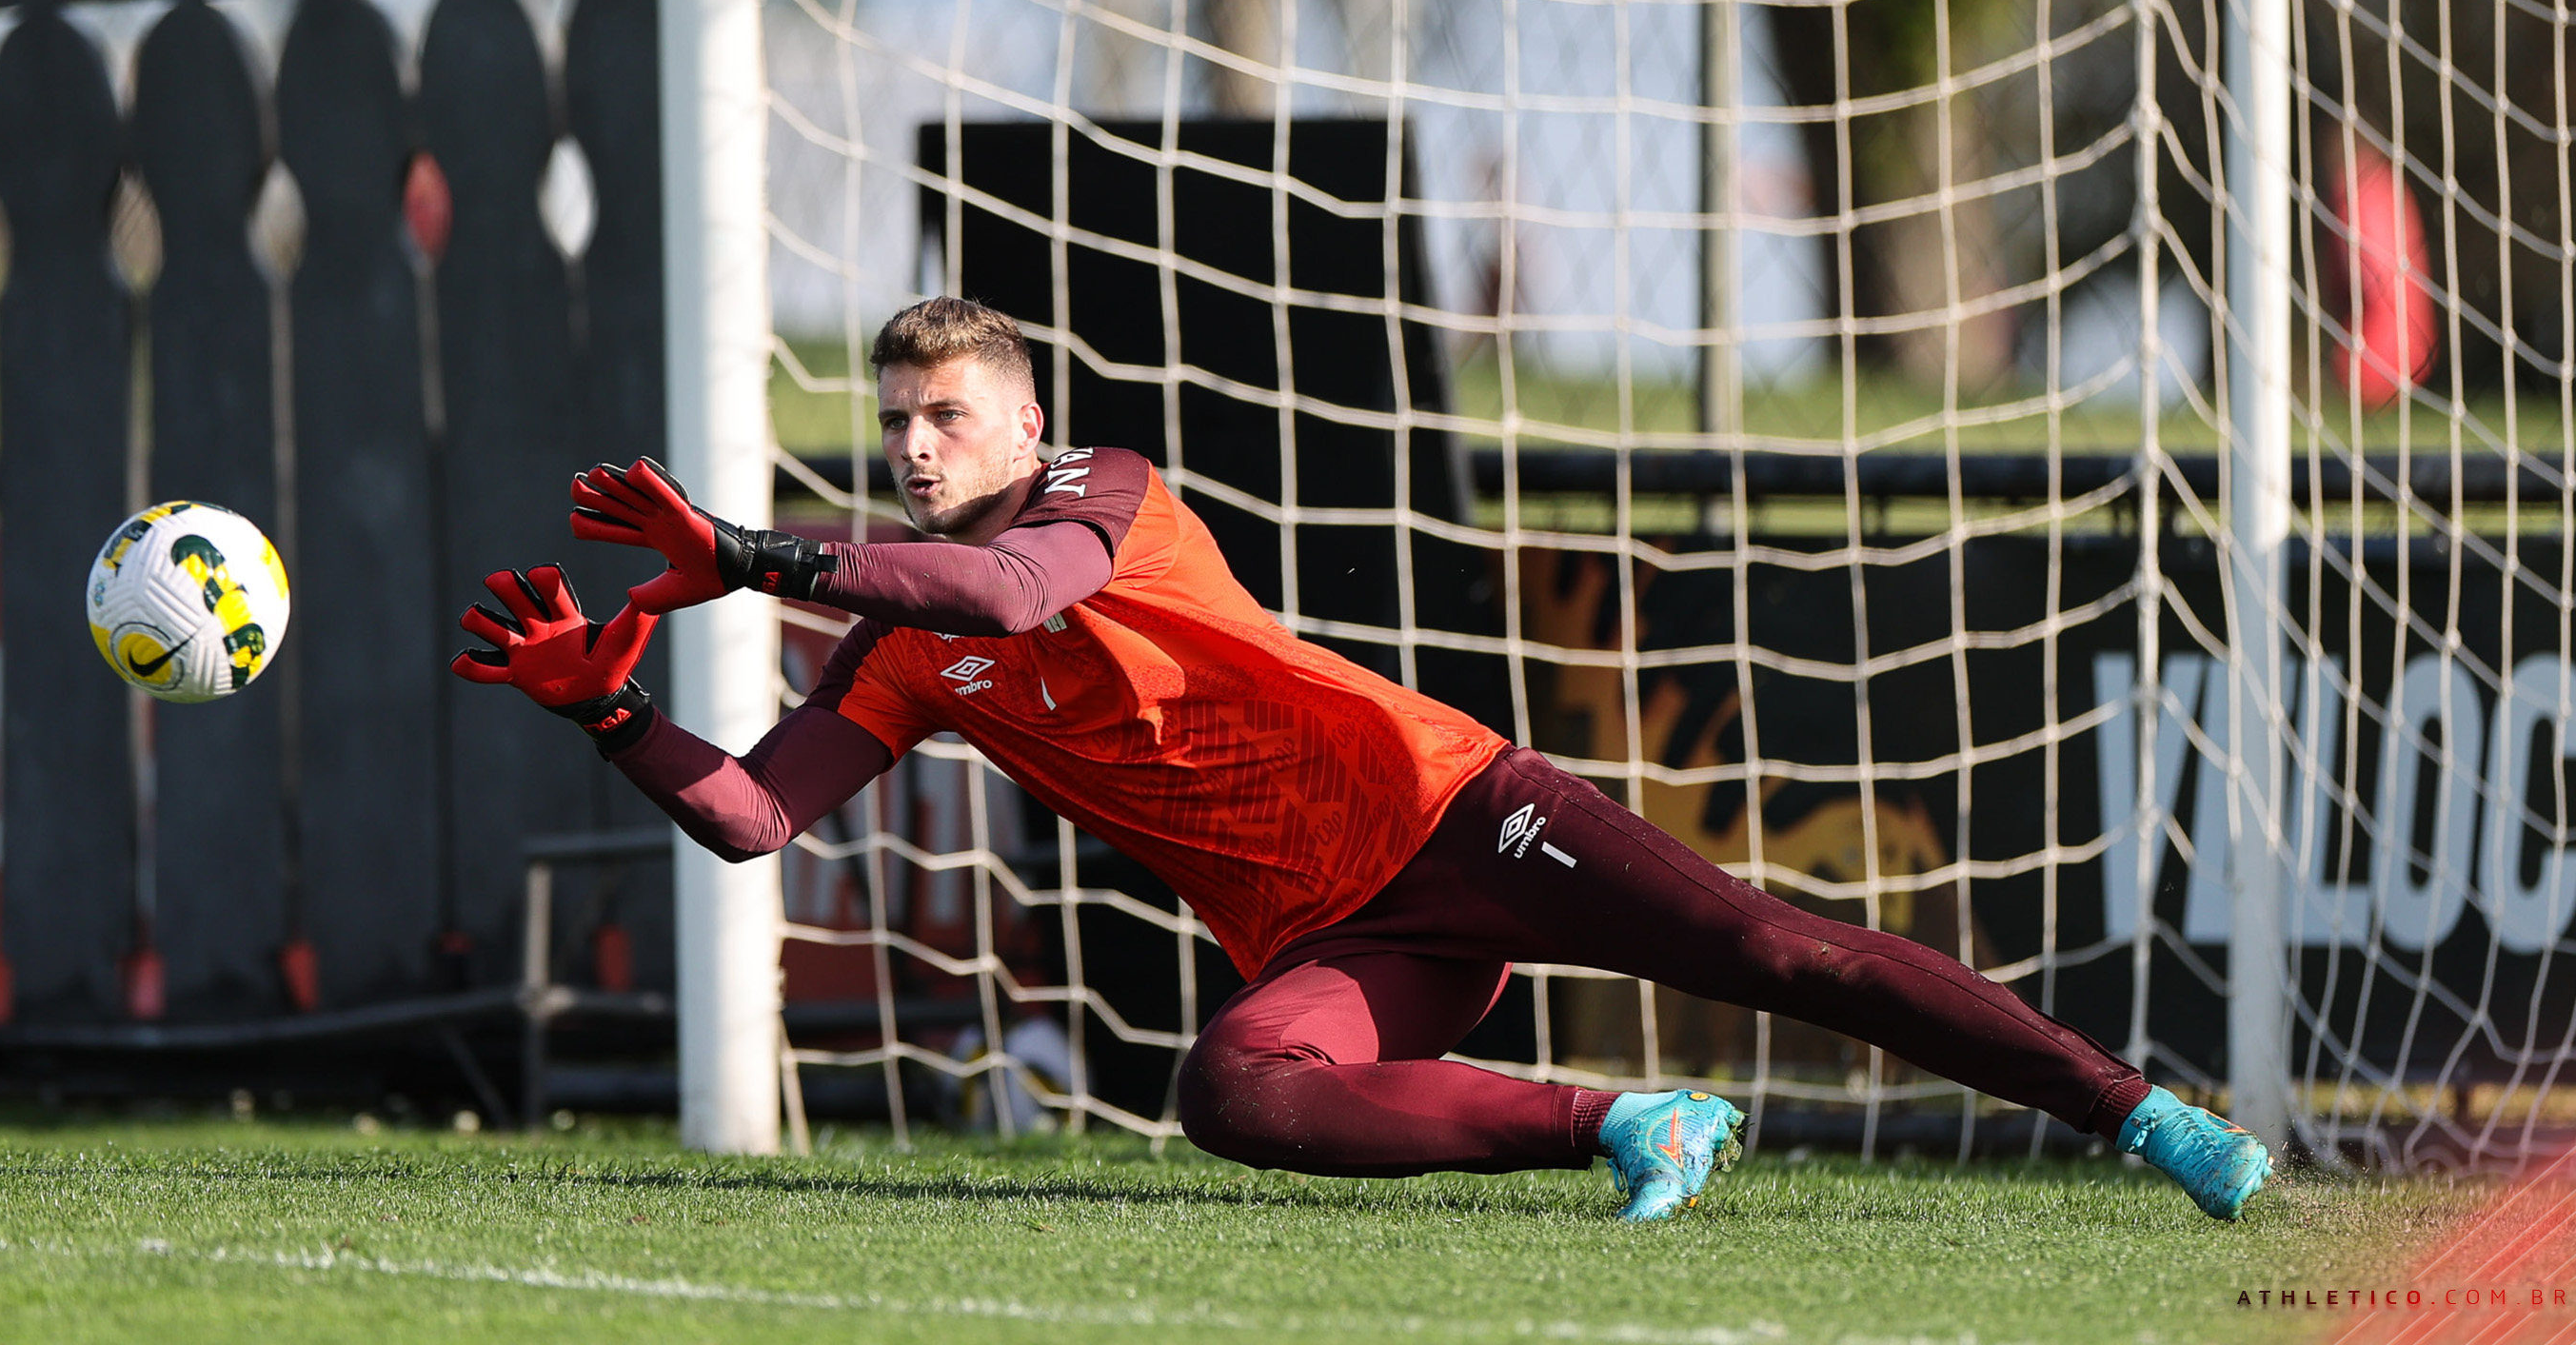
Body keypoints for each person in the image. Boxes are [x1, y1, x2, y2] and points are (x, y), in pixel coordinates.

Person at [448, 297, 2270, 1222]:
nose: (917, 445)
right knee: (1233, 1091)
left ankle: (2140, 1114)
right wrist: (609, 713)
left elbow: (1010, 590)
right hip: (1346, 940)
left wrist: (747, 553)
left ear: (1025, 423)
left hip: (1459, 810)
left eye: (948, 415)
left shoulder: (1100, 492)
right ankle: (1628, 1125)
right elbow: (756, 817)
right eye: (898, 422)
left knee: (1775, 951)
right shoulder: (898, 640)